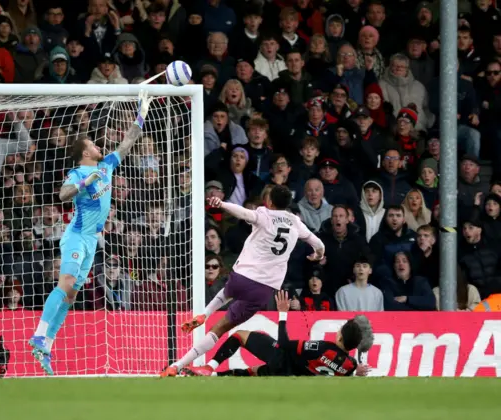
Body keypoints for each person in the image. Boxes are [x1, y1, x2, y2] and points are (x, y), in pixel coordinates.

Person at [28, 90, 154, 375]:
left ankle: (45, 344)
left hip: (93, 241)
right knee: (66, 282)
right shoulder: (78, 173)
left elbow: (128, 141)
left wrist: (142, 112)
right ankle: (39, 333)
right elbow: (62, 196)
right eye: (94, 145)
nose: (99, 147)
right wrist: (87, 183)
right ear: (86, 152)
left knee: (71, 296)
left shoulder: (107, 164)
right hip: (76, 236)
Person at [160, 185, 326, 377]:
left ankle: (204, 314)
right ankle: (177, 366)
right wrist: (317, 255)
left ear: (269, 202)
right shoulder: (295, 222)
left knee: (228, 292)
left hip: (242, 277)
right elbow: (319, 244)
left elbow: (244, 213)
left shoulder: (264, 214)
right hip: (264, 290)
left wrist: (221, 203)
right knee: (220, 328)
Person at [184, 291, 372, 377]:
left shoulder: (321, 348)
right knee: (252, 372)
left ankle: (209, 368)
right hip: (290, 374)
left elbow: (284, 343)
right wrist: (357, 371)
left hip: (281, 357)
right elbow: (346, 370)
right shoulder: (349, 366)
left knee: (240, 335)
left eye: (340, 329)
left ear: (340, 337)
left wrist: (283, 313)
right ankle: (214, 377)